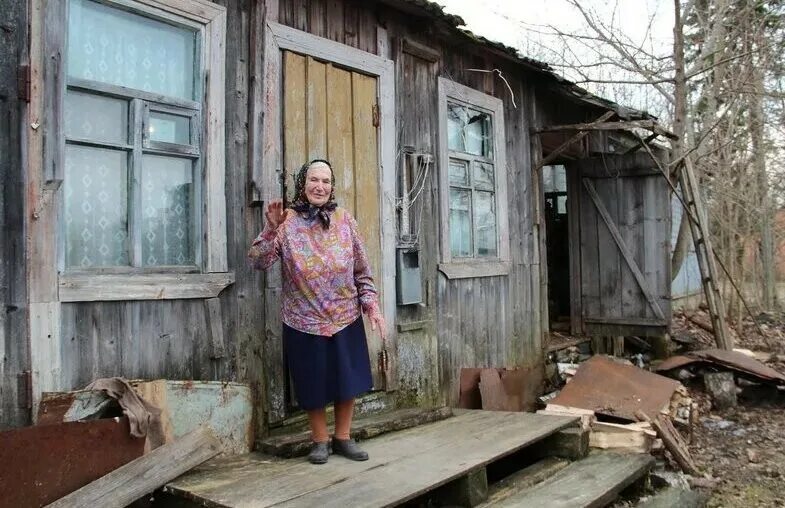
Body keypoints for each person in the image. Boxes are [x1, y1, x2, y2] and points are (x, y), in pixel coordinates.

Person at [248, 159, 386, 465]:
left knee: (347, 379)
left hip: (345, 314)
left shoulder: (345, 220)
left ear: (332, 186)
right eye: (314, 180)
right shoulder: (286, 222)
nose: (319, 186)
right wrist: (270, 230)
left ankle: (343, 438)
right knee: (313, 381)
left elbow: (362, 269)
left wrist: (372, 306)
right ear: (302, 183)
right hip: (304, 318)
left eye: (325, 181)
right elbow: (257, 261)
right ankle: (320, 440)